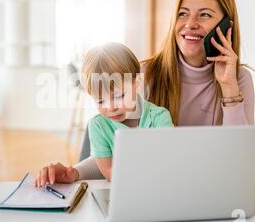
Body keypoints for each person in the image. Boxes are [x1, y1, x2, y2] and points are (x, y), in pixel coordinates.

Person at [36, 0, 255, 184]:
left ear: (226, 26)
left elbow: (242, 160)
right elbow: (117, 154)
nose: (190, 24)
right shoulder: (145, 74)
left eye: (204, 15)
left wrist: (228, 87)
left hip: (211, 189)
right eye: (183, 14)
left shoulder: (238, 80)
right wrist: (74, 172)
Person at [35, 42, 173, 186]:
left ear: (137, 82)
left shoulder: (159, 118)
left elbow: (168, 163)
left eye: (119, 96)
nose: (111, 107)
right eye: (101, 101)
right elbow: (109, 172)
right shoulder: (98, 126)